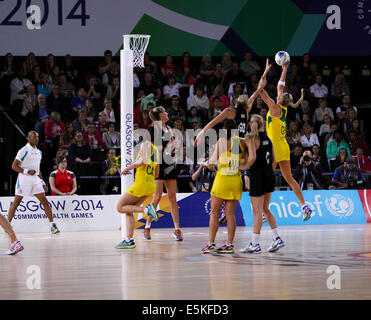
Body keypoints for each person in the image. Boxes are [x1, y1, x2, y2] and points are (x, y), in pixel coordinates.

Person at [258, 59, 312, 221]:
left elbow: (260, 91)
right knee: (289, 179)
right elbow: (281, 85)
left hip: (273, 148)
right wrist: (285, 68)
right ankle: (304, 205)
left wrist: (266, 72)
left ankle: (264, 211)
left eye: (281, 95)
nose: (279, 94)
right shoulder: (284, 109)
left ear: (282, 99)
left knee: (267, 178)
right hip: (283, 146)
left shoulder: (274, 107)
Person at [239, 114, 284, 253]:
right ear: (262, 124)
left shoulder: (251, 139)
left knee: (257, 212)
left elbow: (252, 158)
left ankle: (255, 244)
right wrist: (268, 172)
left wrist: (242, 167)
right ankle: (277, 238)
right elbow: (275, 160)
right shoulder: (268, 138)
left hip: (257, 176)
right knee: (265, 209)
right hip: (270, 175)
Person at [201, 119, 245, 254]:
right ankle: (229, 245)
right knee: (230, 214)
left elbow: (211, 162)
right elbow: (246, 161)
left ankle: (211, 244)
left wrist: (205, 162)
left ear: (225, 129)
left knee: (214, 213)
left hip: (222, 180)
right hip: (236, 179)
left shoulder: (221, 141)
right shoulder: (242, 142)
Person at [6, 131, 60, 234]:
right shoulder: (23, 151)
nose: (36, 139)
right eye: (34, 137)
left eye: (37, 137)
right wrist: (26, 171)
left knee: (44, 201)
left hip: (35, 179)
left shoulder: (39, 152)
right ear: (28, 138)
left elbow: (37, 169)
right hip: (24, 179)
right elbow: (14, 166)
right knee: (16, 202)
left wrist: (43, 182)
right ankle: (7, 226)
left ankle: (52, 226)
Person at [143, 107, 183, 241]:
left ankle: (177, 229)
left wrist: (174, 146)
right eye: (165, 111)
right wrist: (170, 145)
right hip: (158, 164)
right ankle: (147, 227)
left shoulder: (170, 129)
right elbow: (156, 148)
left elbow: (172, 148)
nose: (167, 113)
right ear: (160, 115)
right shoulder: (152, 129)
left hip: (169, 163)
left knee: (173, 197)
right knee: (157, 196)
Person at [114, 139, 159, 249]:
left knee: (120, 207)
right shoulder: (157, 151)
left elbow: (142, 161)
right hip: (150, 184)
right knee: (129, 210)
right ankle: (129, 240)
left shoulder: (146, 144)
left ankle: (147, 210)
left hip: (141, 184)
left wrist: (128, 168)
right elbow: (157, 173)